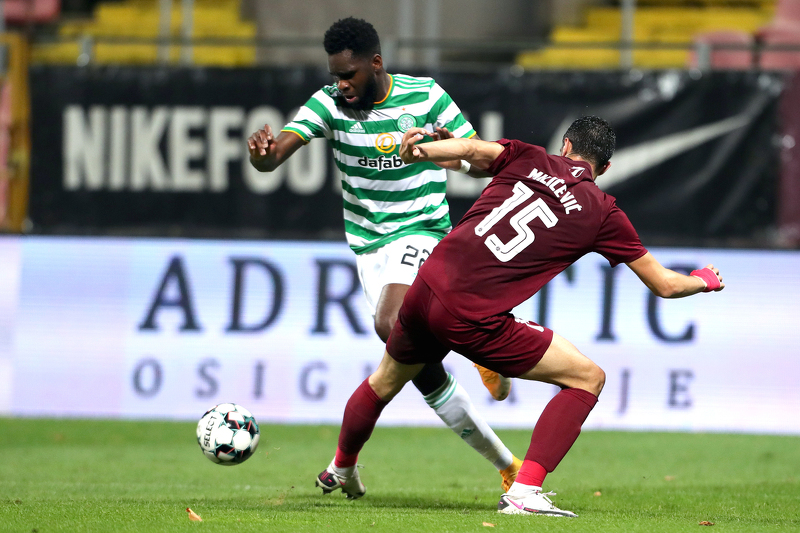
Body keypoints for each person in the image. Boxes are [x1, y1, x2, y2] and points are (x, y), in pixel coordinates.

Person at [316, 116, 725, 516]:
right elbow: (665, 285)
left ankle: (341, 466)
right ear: (606, 167)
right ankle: (524, 491)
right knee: (588, 378)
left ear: (564, 146)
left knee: (384, 380)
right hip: (470, 315)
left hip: (426, 285)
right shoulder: (602, 211)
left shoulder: (530, 157)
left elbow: (472, 149)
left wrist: (422, 149)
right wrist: (702, 280)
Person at [246, 17, 520, 497]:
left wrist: (439, 148)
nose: (342, 84)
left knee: (389, 324)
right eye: (335, 75)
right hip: (369, 246)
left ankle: (468, 339)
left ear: (376, 63)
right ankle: (506, 461)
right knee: (417, 364)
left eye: (349, 74)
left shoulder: (427, 95)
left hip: (423, 229)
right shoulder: (328, 104)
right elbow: (276, 157)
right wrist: (263, 155)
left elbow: (482, 161)